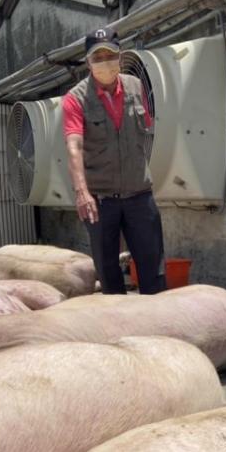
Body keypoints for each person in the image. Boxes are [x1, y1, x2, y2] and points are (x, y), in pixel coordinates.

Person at [62, 27, 167, 294]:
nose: (104, 62)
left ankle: (155, 326)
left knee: (153, 270)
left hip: (139, 194)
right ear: (88, 62)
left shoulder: (135, 86)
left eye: (110, 55)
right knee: (108, 274)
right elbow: (74, 145)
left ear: (120, 58)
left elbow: (147, 128)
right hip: (100, 200)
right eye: (97, 57)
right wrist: (82, 192)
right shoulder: (75, 99)